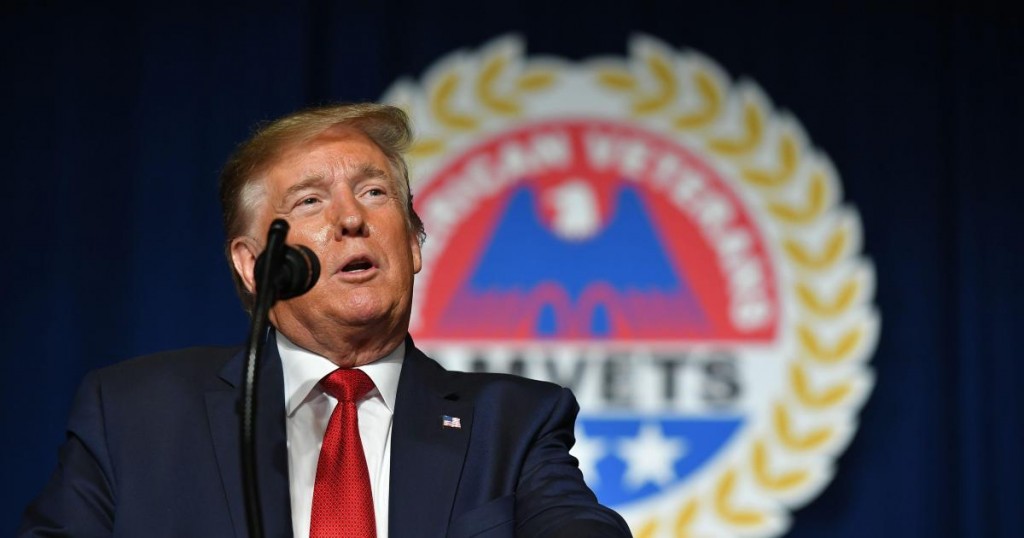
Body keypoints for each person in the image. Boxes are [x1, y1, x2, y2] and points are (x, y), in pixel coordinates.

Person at [19, 103, 631, 537]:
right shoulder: (133, 414)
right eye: (310, 201)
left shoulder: (514, 422)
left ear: (414, 243)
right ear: (254, 265)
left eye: (374, 193)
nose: (351, 219)